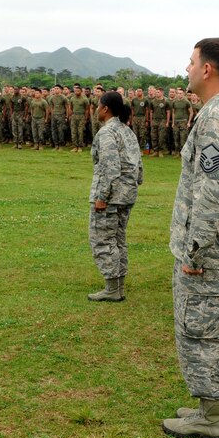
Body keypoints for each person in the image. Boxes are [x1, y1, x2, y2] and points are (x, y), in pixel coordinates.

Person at [163, 38, 219, 438]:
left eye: (191, 62)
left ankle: (211, 416)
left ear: (206, 69)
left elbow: (211, 191)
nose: (186, 68)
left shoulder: (216, 118)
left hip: (212, 249)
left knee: (201, 330)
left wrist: (194, 249)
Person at [87, 91, 143, 302]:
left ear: (105, 109)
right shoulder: (127, 131)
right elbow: (138, 164)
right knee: (118, 240)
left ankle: (112, 288)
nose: (96, 110)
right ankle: (118, 286)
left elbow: (111, 168)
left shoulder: (107, 132)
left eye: (98, 106)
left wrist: (102, 196)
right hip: (126, 194)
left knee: (103, 239)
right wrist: (134, 183)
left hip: (111, 197)